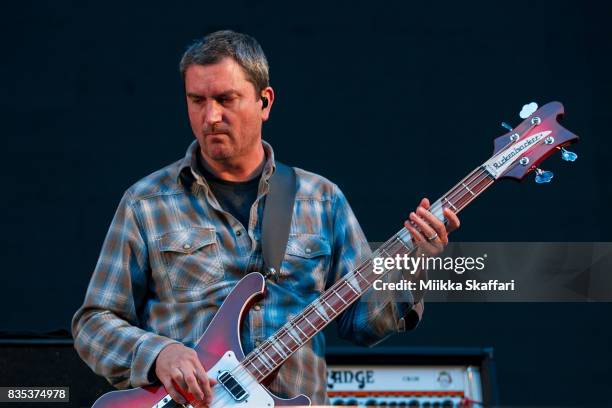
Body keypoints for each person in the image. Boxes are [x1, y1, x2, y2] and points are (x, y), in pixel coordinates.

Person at [71, 30, 460, 406]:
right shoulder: (146, 203)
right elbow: (93, 324)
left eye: (226, 99)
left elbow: (365, 324)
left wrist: (414, 262)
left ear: (265, 101)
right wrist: (159, 354)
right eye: (197, 100)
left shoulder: (321, 200)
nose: (210, 116)